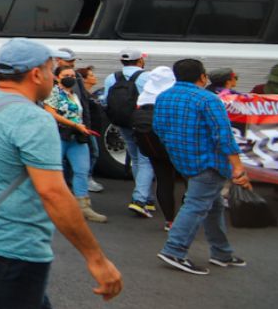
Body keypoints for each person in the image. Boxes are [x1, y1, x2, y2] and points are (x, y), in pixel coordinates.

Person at [0, 38, 122, 309]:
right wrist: (96, 258)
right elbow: (53, 193)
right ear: (36, 74)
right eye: (52, 69)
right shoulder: (33, 119)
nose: (56, 76)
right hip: (15, 246)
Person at [154, 58, 251, 275]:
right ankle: (175, 249)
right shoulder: (208, 100)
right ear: (202, 76)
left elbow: (158, 128)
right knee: (196, 205)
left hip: (183, 161)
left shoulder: (163, 97)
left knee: (213, 206)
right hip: (209, 162)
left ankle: (222, 253)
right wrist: (237, 167)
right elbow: (224, 135)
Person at [43, 65, 106, 222]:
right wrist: (74, 125)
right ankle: (51, 207)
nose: (70, 77)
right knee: (53, 172)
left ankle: (83, 207)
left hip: (76, 137)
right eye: (66, 74)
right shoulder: (54, 92)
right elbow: (50, 112)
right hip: (59, 135)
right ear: (57, 77)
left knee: (81, 171)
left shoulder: (73, 94)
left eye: (72, 74)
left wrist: (81, 127)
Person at [103, 48, 155, 218]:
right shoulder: (147, 77)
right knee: (146, 159)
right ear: (140, 61)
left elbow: (105, 101)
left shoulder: (112, 77)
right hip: (143, 123)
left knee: (135, 159)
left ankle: (146, 197)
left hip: (122, 123)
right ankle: (140, 199)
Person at [132, 67, 180, 229]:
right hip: (173, 143)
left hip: (151, 145)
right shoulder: (171, 95)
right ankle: (187, 217)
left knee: (164, 180)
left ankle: (169, 221)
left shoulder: (144, 95)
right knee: (189, 179)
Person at [76, 65, 106, 193]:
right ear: (84, 79)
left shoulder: (89, 94)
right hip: (88, 129)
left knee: (93, 153)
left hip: (93, 129)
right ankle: (87, 179)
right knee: (93, 153)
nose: (94, 77)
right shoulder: (84, 96)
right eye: (91, 75)